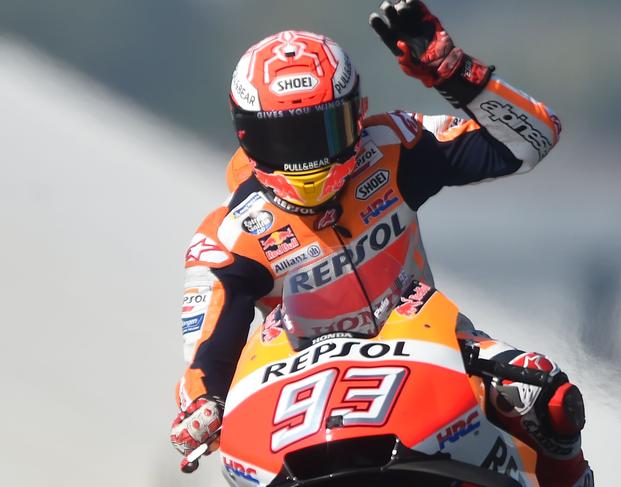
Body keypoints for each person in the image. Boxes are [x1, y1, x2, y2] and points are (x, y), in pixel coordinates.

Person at [170, 1, 593, 485]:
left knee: (550, 397)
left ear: (357, 114)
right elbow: (205, 355)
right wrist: (201, 406)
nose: (306, 158)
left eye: (322, 130)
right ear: (246, 136)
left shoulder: (393, 146)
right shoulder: (226, 236)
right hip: (302, 383)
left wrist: (456, 74)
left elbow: (535, 138)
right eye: (284, 140)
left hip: (430, 345)